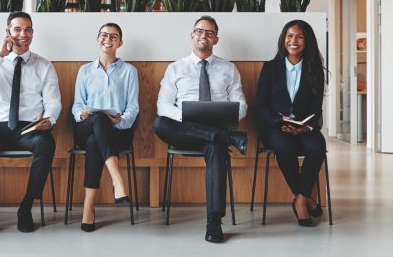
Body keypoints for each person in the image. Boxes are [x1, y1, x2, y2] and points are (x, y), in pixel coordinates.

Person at [0, 11, 61, 238]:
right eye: (17, 29)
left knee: (46, 144)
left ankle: (26, 208)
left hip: (28, 128)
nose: (22, 34)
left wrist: (49, 120)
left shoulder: (44, 65)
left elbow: (53, 101)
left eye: (27, 30)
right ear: (8, 32)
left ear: (33, 33)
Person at [154, 15, 248, 243]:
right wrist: (185, 115)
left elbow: (242, 104)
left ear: (215, 39)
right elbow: (162, 105)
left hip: (213, 130)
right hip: (184, 130)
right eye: (199, 31)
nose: (203, 35)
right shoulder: (175, 68)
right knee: (159, 123)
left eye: (209, 32)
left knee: (216, 148)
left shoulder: (229, 69)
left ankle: (214, 222)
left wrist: (223, 116)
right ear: (191, 36)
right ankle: (228, 137)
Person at [255, 19, 327, 227]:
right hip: (275, 127)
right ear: (283, 39)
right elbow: (260, 106)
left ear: (307, 41)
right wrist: (278, 121)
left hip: (304, 127)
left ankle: (300, 198)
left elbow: (316, 107)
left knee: (317, 147)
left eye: (299, 36)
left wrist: (306, 127)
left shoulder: (315, 70)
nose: (293, 40)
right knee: (285, 147)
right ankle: (304, 200)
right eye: (289, 35)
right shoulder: (270, 68)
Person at [71, 22, 139, 232]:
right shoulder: (84, 70)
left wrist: (121, 120)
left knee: (95, 142)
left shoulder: (130, 71)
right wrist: (80, 113)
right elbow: (77, 103)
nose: (108, 39)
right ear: (97, 39)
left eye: (113, 36)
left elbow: (133, 106)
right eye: (104, 35)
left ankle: (88, 208)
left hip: (116, 131)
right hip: (86, 125)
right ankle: (117, 180)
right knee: (98, 119)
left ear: (120, 42)